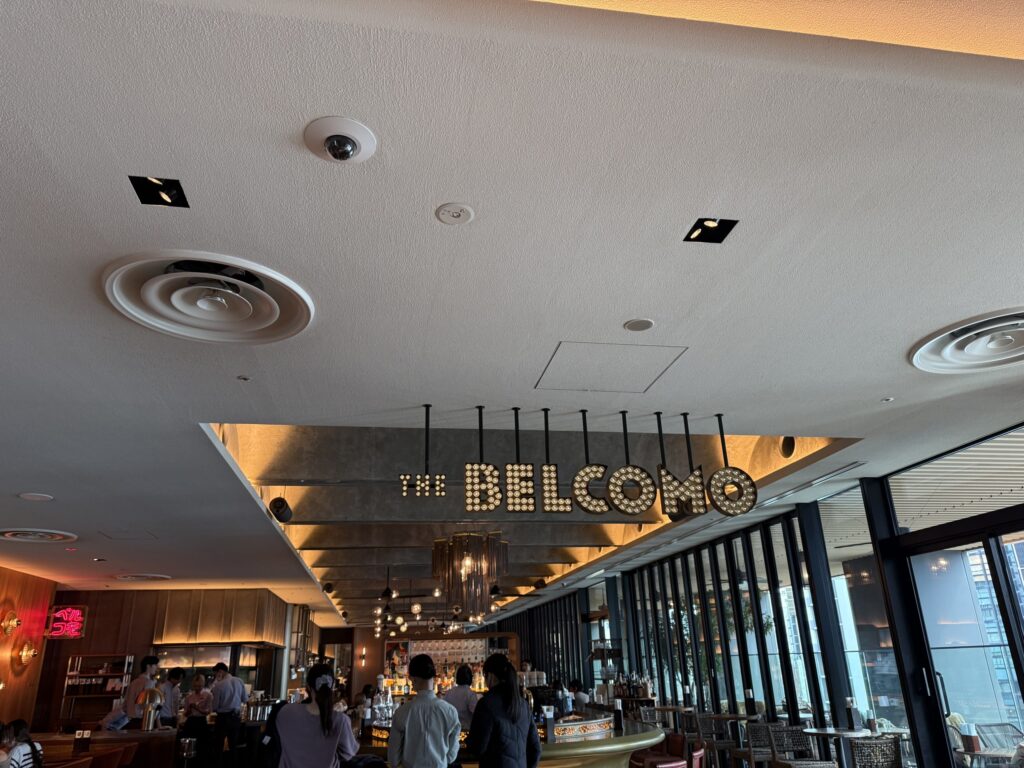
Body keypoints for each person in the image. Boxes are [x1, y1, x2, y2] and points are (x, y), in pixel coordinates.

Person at [276, 663, 358, 768]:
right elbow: (349, 753)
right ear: (332, 686)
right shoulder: (340, 720)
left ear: (308, 687)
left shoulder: (286, 712)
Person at [388, 654, 461, 768]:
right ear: (433, 677)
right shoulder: (450, 711)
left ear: (413, 678)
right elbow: (451, 755)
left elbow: (393, 759)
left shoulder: (402, 712)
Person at [468, 654, 540, 768]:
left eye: (485, 676)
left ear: (491, 676)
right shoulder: (523, 704)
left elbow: (477, 748)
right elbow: (535, 748)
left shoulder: (486, 704)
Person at [211, 662, 247, 767]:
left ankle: (218, 764)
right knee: (233, 745)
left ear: (220, 672)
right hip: (235, 717)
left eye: (216, 673)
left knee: (218, 745)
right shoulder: (239, 681)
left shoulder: (218, 685)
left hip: (222, 718)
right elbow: (245, 699)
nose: (216, 676)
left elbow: (215, 707)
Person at [124, 655, 160, 728]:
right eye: (155, 665)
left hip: (130, 720)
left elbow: (126, 702)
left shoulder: (133, 682)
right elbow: (146, 704)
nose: (157, 668)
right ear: (148, 666)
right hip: (144, 720)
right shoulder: (149, 682)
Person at [444, 664, 479, 729]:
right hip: (466, 732)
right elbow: (477, 715)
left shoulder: (448, 693)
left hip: (451, 732)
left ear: (457, 678)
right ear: (470, 678)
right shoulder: (471, 694)